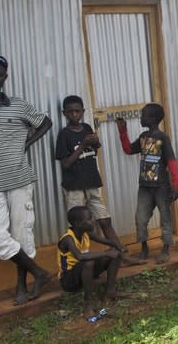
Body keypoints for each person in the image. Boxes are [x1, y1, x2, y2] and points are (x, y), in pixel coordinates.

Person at [0, 54, 53, 306]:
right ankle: (39, 273)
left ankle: (22, 286)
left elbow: (45, 122)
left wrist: (27, 143)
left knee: (23, 233)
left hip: (20, 178)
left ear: (5, 78)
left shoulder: (19, 105)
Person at [55, 95, 137, 262]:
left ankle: (120, 255)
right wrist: (83, 145)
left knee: (105, 220)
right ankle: (83, 262)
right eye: (70, 112)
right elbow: (66, 164)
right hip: (74, 188)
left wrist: (95, 142)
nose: (75, 114)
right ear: (64, 113)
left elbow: (94, 152)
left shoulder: (86, 128)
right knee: (79, 226)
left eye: (78, 111)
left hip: (92, 183)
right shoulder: (64, 135)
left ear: (83, 112)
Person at [116, 104, 178, 264]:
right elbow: (129, 150)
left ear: (152, 119)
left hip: (162, 187)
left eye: (143, 115)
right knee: (140, 218)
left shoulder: (163, 138)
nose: (141, 118)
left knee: (165, 218)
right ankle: (144, 248)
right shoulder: (143, 136)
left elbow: (172, 161)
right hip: (144, 187)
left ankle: (165, 249)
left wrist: (176, 185)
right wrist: (122, 131)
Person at [57, 206, 127, 322]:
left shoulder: (86, 233)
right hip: (68, 279)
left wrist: (118, 246)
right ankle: (88, 304)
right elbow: (80, 256)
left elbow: (106, 241)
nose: (92, 221)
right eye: (89, 219)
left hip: (83, 273)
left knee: (114, 254)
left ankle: (110, 292)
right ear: (78, 223)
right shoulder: (68, 239)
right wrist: (105, 254)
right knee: (89, 262)